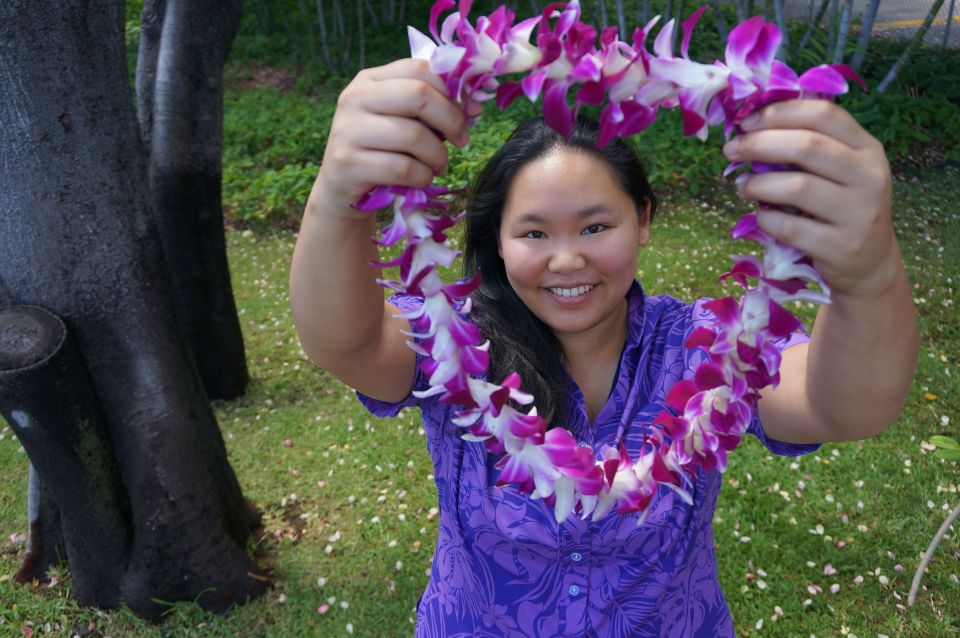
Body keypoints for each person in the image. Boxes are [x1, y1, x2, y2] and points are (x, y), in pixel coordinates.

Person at [289, 59, 919, 637]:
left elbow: (844, 404)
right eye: (534, 231)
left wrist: (868, 275)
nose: (568, 259)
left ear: (642, 219)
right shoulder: (460, 344)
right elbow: (347, 342)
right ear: (500, 242)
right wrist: (338, 197)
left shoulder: (704, 348)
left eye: (596, 226)